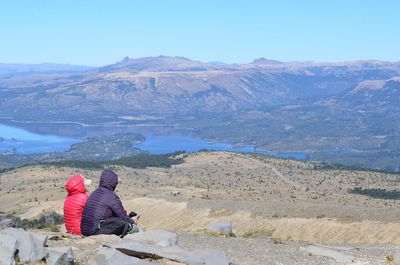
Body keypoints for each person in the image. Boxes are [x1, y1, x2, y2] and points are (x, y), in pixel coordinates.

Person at [80, 169, 139, 237]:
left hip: (84, 231)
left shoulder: (94, 193)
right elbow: (122, 216)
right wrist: (132, 221)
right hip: (94, 231)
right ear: (113, 183)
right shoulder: (111, 197)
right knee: (132, 227)